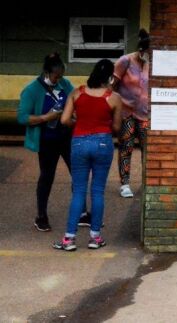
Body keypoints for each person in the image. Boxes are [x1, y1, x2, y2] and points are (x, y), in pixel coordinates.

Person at [54, 59, 123, 251]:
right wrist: (104, 126)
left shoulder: (77, 92)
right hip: (103, 142)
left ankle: (69, 239)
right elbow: (117, 127)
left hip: (79, 142)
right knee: (98, 190)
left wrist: (79, 124)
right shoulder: (114, 98)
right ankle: (95, 237)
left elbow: (64, 119)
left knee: (78, 191)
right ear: (110, 77)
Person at [17, 53, 89, 232]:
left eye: (61, 75)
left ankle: (82, 212)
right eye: (56, 76)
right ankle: (41, 216)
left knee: (78, 173)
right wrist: (46, 117)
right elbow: (22, 117)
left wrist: (74, 112)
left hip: (67, 137)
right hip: (47, 141)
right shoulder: (32, 90)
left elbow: (75, 99)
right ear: (47, 72)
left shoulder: (64, 84)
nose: (59, 79)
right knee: (47, 177)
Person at [112, 30, 150, 198]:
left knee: (147, 149)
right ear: (141, 50)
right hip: (126, 112)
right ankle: (125, 183)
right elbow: (112, 86)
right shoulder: (125, 61)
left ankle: (148, 182)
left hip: (145, 114)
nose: (150, 56)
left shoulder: (153, 64)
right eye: (148, 53)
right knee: (126, 148)